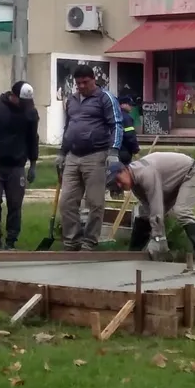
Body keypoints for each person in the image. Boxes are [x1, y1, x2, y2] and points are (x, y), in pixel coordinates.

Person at [56, 64, 124, 251]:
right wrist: (62, 152)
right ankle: (72, 240)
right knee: (67, 201)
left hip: (96, 155)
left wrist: (114, 151)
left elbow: (117, 124)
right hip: (73, 155)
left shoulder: (105, 98)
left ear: (93, 79)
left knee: (95, 202)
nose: (82, 86)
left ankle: (90, 241)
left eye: (85, 82)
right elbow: (68, 127)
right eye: (78, 83)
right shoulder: (72, 100)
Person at [106, 152, 195, 262]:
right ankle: (133, 253)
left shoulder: (145, 174)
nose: (119, 185)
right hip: (172, 180)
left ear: (125, 170)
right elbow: (148, 207)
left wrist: (158, 237)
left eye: (118, 180)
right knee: (144, 213)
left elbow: (156, 206)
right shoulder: (134, 180)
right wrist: (159, 236)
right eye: (115, 184)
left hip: (191, 173)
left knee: (182, 211)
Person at [0, 81, 39, 249]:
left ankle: (11, 240)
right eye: (22, 101)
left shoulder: (30, 112)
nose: (24, 106)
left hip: (16, 165)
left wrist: (33, 163)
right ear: (12, 95)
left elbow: (33, 138)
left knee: (15, 203)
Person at [117, 96, 141, 165]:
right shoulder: (126, 118)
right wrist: (135, 150)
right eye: (130, 105)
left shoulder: (113, 115)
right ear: (122, 104)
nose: (131, 107)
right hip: (124, 151)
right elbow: (130, 135)